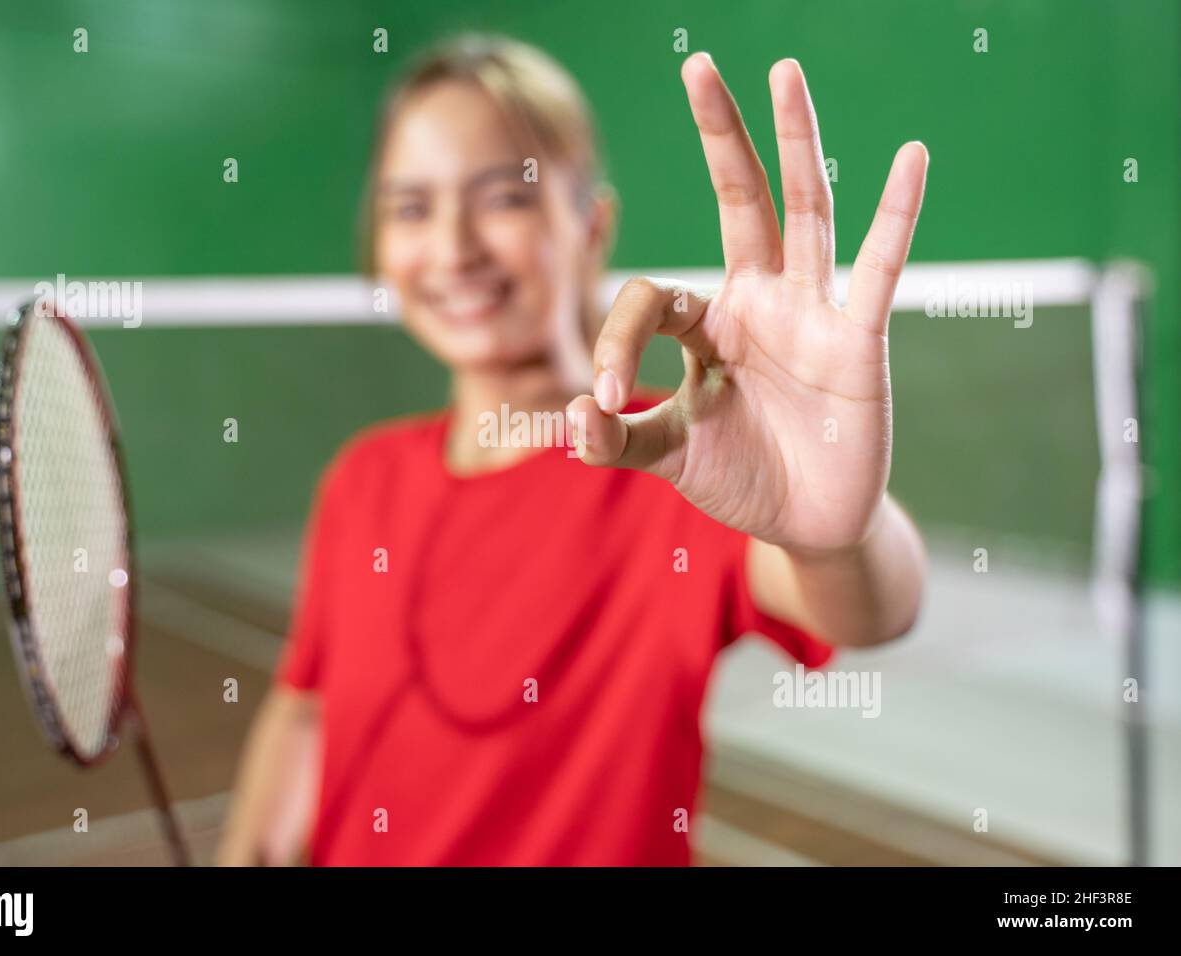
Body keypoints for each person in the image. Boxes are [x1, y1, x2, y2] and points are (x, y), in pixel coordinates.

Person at [218, 34, 928, 866]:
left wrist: (836, 530)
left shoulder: (683, 456)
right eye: (409, 208)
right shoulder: (361, 479)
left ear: (592, 224)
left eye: (502, 198)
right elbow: (307, 706)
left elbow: (874, 608)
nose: (452, 249)